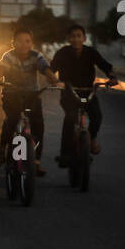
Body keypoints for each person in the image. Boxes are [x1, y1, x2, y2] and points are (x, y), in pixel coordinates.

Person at [0, 27, 59, 173]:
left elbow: (45, 69)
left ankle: (36, 161)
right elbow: (1, 69)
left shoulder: (36, 57)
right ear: (13, 43)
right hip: (11, 94)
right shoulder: (8, 56)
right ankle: (2, 148)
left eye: (27, 41)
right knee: (12, 119)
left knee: (38, 126)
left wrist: (53, 79)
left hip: (31, 95)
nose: (23, 44)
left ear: (31, 43)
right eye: (20, 41)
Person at [50, 23, 119, 167]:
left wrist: (112, 77)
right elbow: (51, 69)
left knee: (97, 116)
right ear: (68, 39)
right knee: (70, 117)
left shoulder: (91, 52)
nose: (76, 39)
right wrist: (53, 80)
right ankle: (65, 154)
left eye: (78, 36)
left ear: (84, 38)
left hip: (88, 91)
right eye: (73, 36)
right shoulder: (62, 52)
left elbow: (104, 65)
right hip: (69, 92)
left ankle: (92, 139)